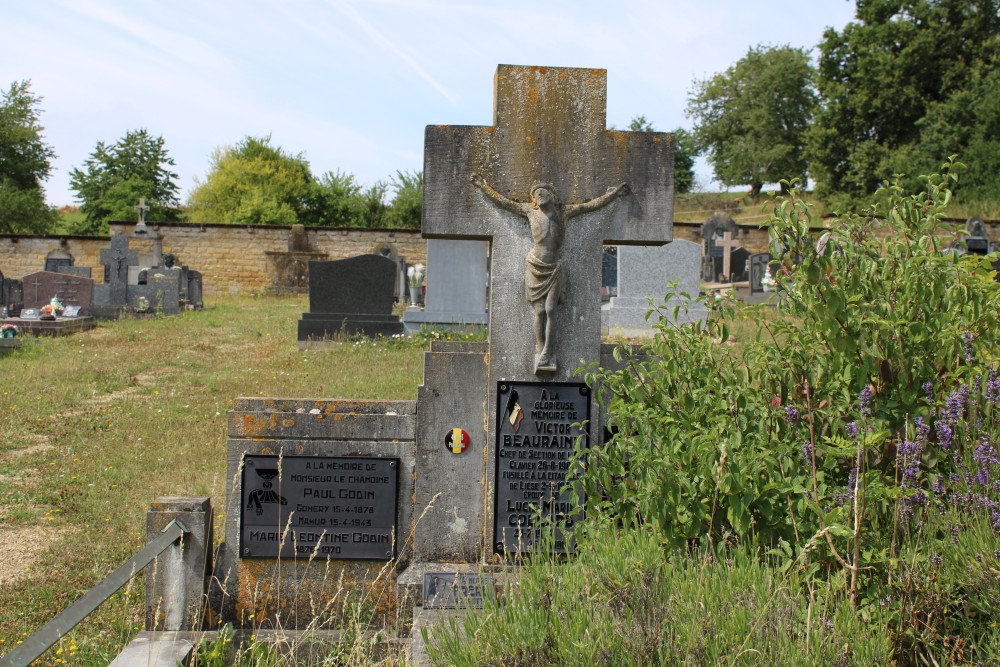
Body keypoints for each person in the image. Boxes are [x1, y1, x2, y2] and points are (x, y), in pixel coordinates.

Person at [470, 174, 629, 371]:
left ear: (552, 196)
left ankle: (548, 350)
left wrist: (613, 195)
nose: (539, 195)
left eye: (543, 191)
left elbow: (591, 206)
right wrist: (483, 187)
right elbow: (504, 203)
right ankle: (540, 347)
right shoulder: (529, 212)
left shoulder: (564, 214)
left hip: (554, 269)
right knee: (539, 311)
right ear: (533, 201)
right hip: (535, 266)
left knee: (551, 310)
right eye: (536, 194)